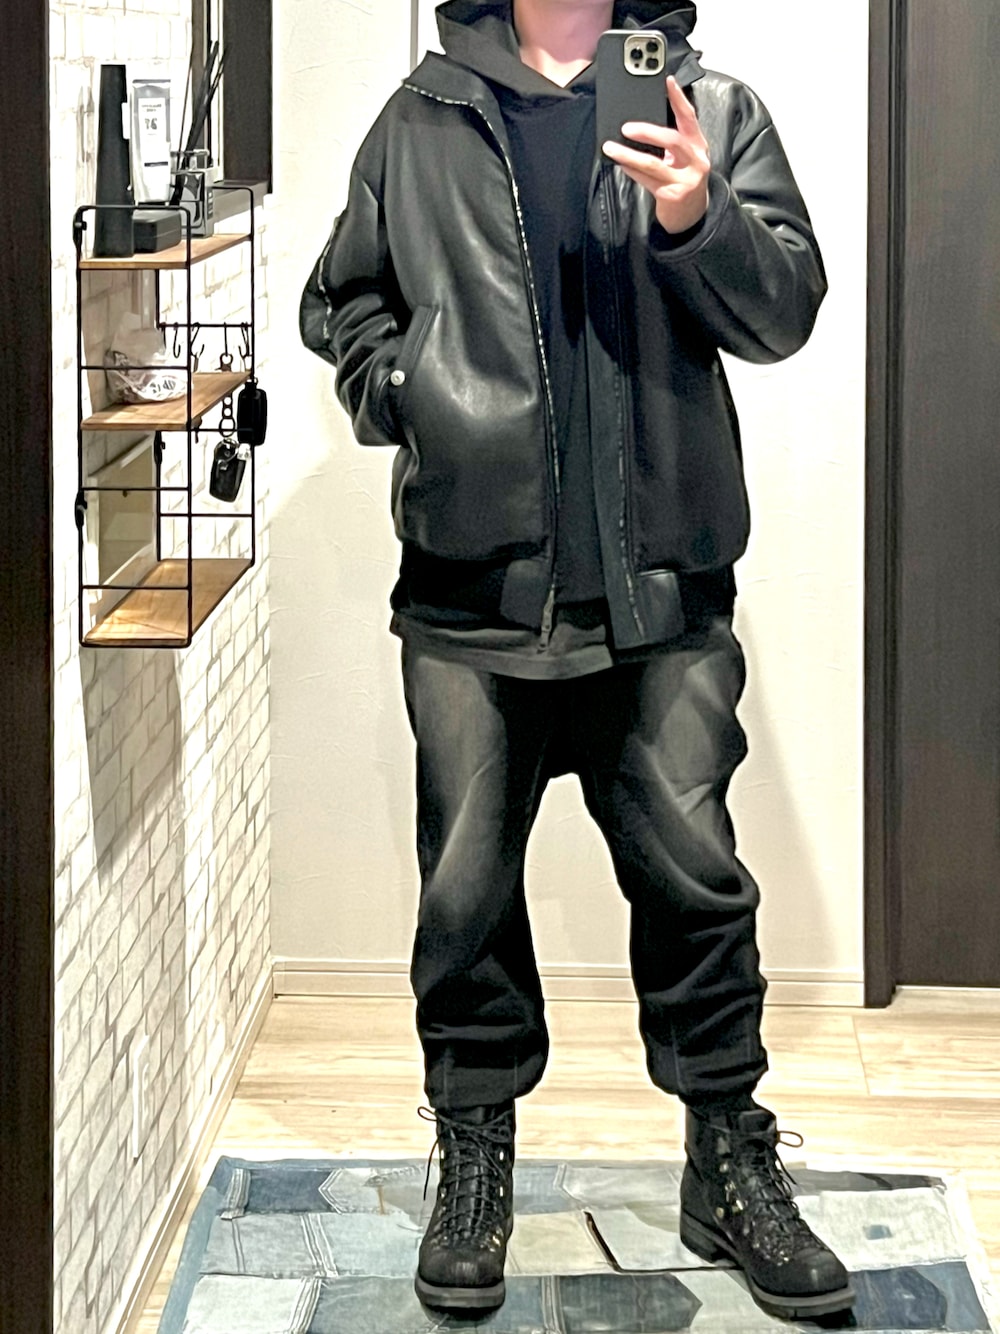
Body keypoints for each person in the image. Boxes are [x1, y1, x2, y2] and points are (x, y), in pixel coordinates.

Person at [301, 0, 854, 1322]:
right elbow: (343, 300)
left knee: (699, 887)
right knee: (465, 897)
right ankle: (474, 1156)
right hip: (471, 595)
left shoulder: (711, 110)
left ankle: (727, 1160)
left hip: (664, 593)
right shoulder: (424, 117)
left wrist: (697, 217)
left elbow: (786, 311)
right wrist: (411, 388)